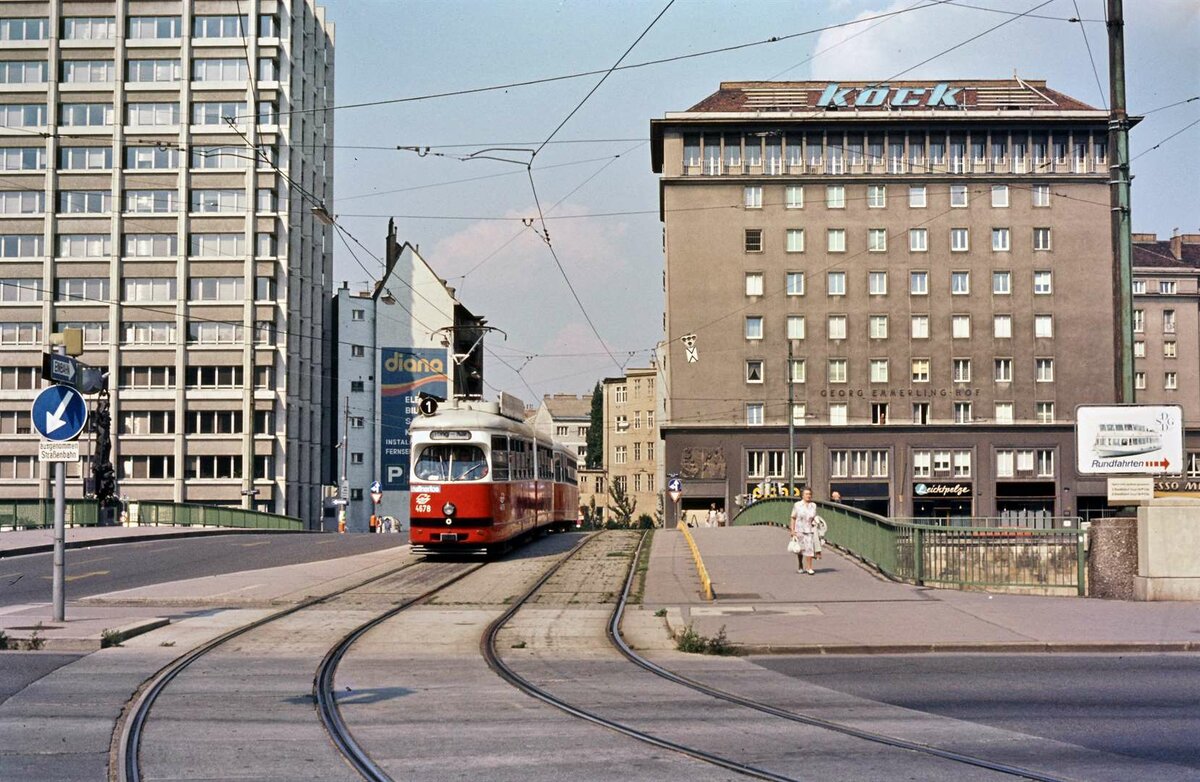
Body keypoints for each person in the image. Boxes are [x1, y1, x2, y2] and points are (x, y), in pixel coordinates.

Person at [789, 487, 817, 575]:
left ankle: (809, 568)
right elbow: (793, 517)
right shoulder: (797, 505)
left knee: (809, 549)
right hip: (799, 529)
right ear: (802, 495)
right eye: (806, 494)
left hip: (809, 530)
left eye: (810, 494)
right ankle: (800, 565)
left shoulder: (813, 505)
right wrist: (792, 530)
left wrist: (815, 522)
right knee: (800, 549)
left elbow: (814, 517)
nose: (808, 496)